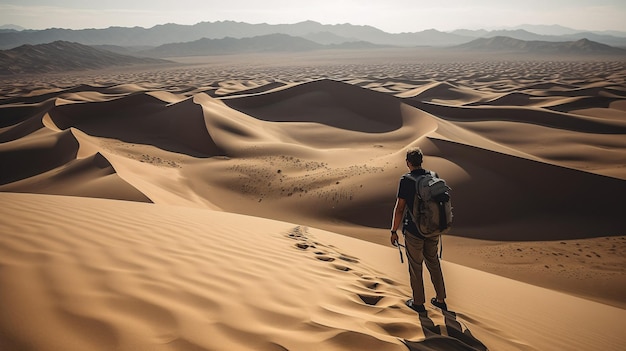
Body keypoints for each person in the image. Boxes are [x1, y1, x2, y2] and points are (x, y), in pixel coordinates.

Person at [390, 147, 447, 313]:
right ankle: (441, 300)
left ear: (408, 163)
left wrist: (394, 231)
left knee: (416, 266)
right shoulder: (433, 176)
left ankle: (418, 303)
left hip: (414, 231)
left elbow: (400, 208)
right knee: (433, 262)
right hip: (433, 230)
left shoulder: (406, 180)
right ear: (421, 161)